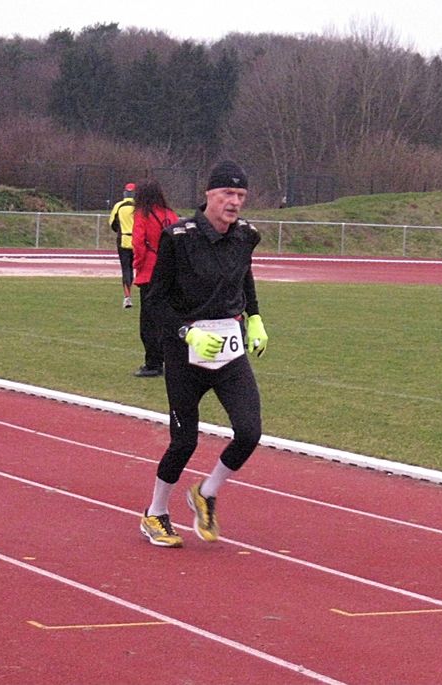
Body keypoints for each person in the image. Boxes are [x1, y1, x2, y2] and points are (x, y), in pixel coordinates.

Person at [139, 160, 269, 548]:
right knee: (184, 442)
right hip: (186, 353)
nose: (234, 202)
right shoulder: (178, 238)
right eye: (227, 193)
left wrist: (255, 317)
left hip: (229, 349)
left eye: (241, 195)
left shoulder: (246, 236)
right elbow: (156, 300)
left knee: (249, 431)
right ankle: (155, 512)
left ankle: (206, 493)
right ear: (209, 194)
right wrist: (187, 332)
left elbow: (244, 276)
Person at [131, 179, 178, 377]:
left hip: (150, 271)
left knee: (149, 322)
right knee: (169, 319)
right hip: (171, 272)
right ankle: (173, 360)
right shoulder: (171, 214)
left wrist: (137, 265)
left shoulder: (142, 214)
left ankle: (153, 363)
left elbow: (138, 243)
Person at [108, 182, 136, 308]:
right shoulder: (139, 206)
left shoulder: (118, 206)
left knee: (126, 269)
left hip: (123, 240)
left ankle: (127, 296)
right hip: (137, 241)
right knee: (137, 269)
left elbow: (112, 224)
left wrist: (120, 230)